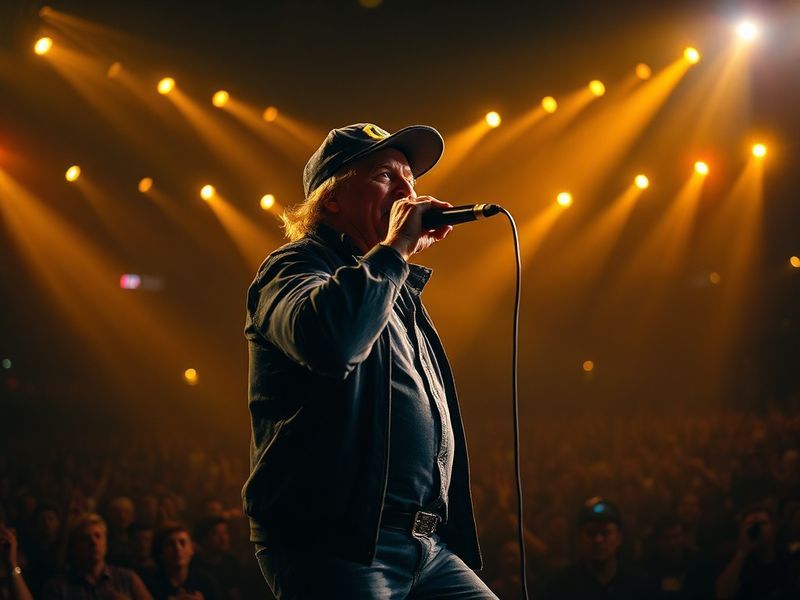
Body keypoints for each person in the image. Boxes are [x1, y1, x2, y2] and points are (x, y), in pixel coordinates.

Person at [243, 123, 496, 598]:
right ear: (331, 200)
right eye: (385, 176)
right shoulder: (294, 267)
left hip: (425, 545)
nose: (407, 192)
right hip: (335, 543)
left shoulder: (393, 288)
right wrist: (396, 249)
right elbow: (331, 343)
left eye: (411, 181)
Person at [541, 497, 651, 600]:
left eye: (605, 533)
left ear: (619, 538)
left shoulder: (639, 586)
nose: (598, 540)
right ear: (579, 539)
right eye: (591, 533)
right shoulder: (560, 587)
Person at [41, 512, 152, 600]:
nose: (93, 542)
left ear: (105, 542)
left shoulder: (127, 579)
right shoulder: (58, 588)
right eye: (85, 539)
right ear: (74, 546)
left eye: (98, 536)